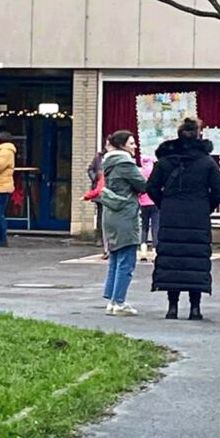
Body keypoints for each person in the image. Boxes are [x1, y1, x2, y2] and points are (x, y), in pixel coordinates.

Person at [147, 117, 220, 321]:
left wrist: (164, 204)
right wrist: (205, 206)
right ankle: (195, 308)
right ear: (199, 134)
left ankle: (172, 307)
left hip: (171, 213)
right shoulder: (207, 162)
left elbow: (152, 188)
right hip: (197, 215)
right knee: (195, 261)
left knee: (171, 260)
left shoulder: (165, 161)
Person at [100, 131, 148, 317]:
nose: (134, 146)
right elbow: (142, 185)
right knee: (126, 261)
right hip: (125, 215)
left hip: (111, 213)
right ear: (121, 145)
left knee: (115, 258)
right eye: (131, 143)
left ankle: (112, 300)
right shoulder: (125, 163)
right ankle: (119, 302)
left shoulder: (108, 163)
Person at [138, 155, 158, 260]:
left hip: (143, 204)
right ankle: (155, 251)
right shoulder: (155, 172)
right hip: (155, 203)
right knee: (155, 227)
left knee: (144, 227)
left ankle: (143, 251)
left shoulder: (140, 173)